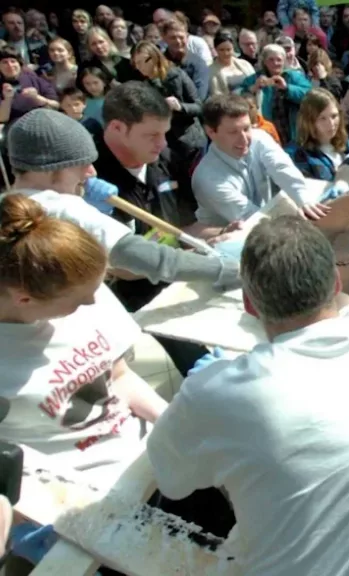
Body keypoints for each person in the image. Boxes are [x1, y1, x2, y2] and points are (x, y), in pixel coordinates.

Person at [146, 215, 349, 576]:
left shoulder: (217, 394)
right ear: (336, 280)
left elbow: (171, 479)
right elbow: (347, 302)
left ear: (249, 305)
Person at [6, 108, 238, 379]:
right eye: (81, 164)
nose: (91, 172)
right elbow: (149, 258)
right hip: (82, 346)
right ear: (51, 169)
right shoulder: (63, 207)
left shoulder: (8, 207)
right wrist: (226, 270)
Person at [0, 192, 167, 489]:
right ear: (24, 298)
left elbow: (119, 377)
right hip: (81, 493)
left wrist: (174, 424)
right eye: (77, 301)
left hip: (150, 458)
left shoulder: (84, 295)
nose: (93, 302)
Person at [192, 94, 329, 227]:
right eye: (233, 132)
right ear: (211, 132)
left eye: (246, 128)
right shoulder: (207, 178)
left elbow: (282, 168)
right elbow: (251, 218)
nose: (244, 139)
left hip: (267, 219)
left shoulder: (259, 138)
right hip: (231, 239)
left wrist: (304, 200)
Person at [130, 41, 206, 163]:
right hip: (166, 144)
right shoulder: (145, 87)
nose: (139, 67)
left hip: (190, 140)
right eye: (136, 64)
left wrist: (180, 107)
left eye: (140, 62)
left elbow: (199, 106)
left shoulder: (177, 75)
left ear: (153, 58)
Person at [239, 44, 311, 145]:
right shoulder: (253, 79)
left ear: (284, 61)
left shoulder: (293, 76)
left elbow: (310, 96)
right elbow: (238, 99)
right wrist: (253, 88)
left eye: (279, 59)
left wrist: (287, 88)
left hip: (292, 131)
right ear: (264, 61)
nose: (275, 63)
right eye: (271, 60)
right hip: (266, 130)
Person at [285, 88, 349, 181]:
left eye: (334, 116)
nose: (331, 124)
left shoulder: (346, 144)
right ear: (309, 121)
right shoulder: (296, 153)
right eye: (322, 118)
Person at [0, 46, 58, 124]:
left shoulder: (35, 80)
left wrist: (37, 98)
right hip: (15, 126)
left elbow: (56, 106)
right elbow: (2, 119)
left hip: (41, 121)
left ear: (19, 64)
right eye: (5, 62)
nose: (10, 65)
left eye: (13, 61)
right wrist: (7, 99)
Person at [160, 17, 210, 101]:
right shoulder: (159, 62)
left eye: (181, 37)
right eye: (173, 38)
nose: (178, 41)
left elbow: (200, 97)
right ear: (164, 38)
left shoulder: (198, 64)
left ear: (187, 37)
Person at [209, 31, 255, 97]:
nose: (226, 53)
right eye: (221, 50)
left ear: (233, 48)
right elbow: (216, 94)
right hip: (229, 104)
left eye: (228, 49)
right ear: (216, 50)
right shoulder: (211, 71)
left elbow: (255, 83)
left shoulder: (245, 64)